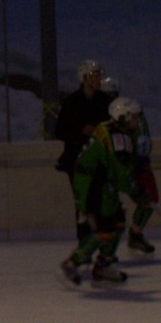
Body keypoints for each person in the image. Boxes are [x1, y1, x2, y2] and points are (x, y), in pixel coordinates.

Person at [58, 96, 153, 287]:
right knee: (106, 230)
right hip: (95, 185)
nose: (137, 121)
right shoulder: (118, 139)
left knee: (118, 222)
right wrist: (137, 191)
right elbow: (120, 172)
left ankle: (104, 266)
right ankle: (72, 263)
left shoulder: (110, 129)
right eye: (134, 117)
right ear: (123, 117)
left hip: (101, 183)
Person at [54, 59, 113, 241]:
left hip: (99, 159)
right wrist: (81, 131)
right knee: (82, 202)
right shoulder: (72, 102)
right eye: (94, 76)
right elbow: (59, 131)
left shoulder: (104, 101)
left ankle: (102, 241)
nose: (98, 79)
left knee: (101, 199)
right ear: (84, 78)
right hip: (77, 160)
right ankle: (84, 243)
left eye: (99, 76)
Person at [98, 76, 156, 255]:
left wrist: (141, 156)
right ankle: (100, 252)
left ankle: (133, 236)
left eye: (112, 94)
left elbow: (142, 134)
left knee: (149, 199)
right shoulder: (102, 117)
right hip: (113, 167)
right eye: (106, 94)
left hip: (131, 163)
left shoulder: (127, 112)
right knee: (111, 212)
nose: (109, 97)